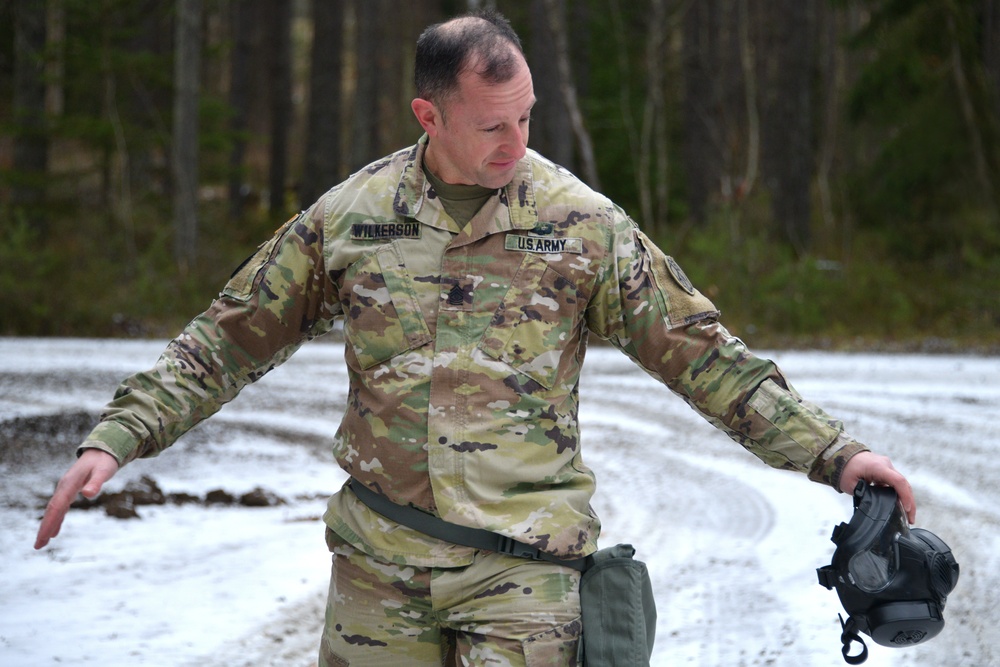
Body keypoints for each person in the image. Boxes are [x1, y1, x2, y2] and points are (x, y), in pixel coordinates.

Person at [34, 9, 915, 667]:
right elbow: (227, 338)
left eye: (526, 117)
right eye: (493, 124)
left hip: (526, 575)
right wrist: (119, 435)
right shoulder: (353, 219)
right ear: (429, 115)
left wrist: (835, 455)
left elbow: (704, 355)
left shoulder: (580, 223)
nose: (516, 141)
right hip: (379, 571)